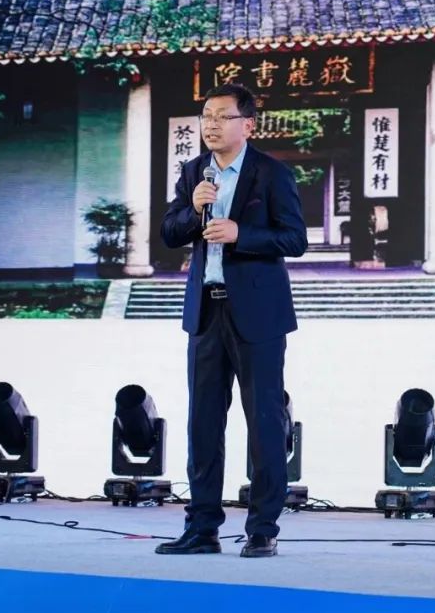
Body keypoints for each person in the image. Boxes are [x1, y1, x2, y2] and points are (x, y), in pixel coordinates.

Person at [158, 83, 307, 558]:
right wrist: (193, 208)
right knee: (203, 424)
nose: (211, 125)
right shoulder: (193, 173)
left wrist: (242, 233)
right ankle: (202, 528)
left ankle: (263, 528)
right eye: (206, 116)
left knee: (264, 423)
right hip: (206, 312)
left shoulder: (272, 173)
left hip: (258, 316)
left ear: (248, 125)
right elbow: (169, 232)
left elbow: (295, 239)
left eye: (223, 116)